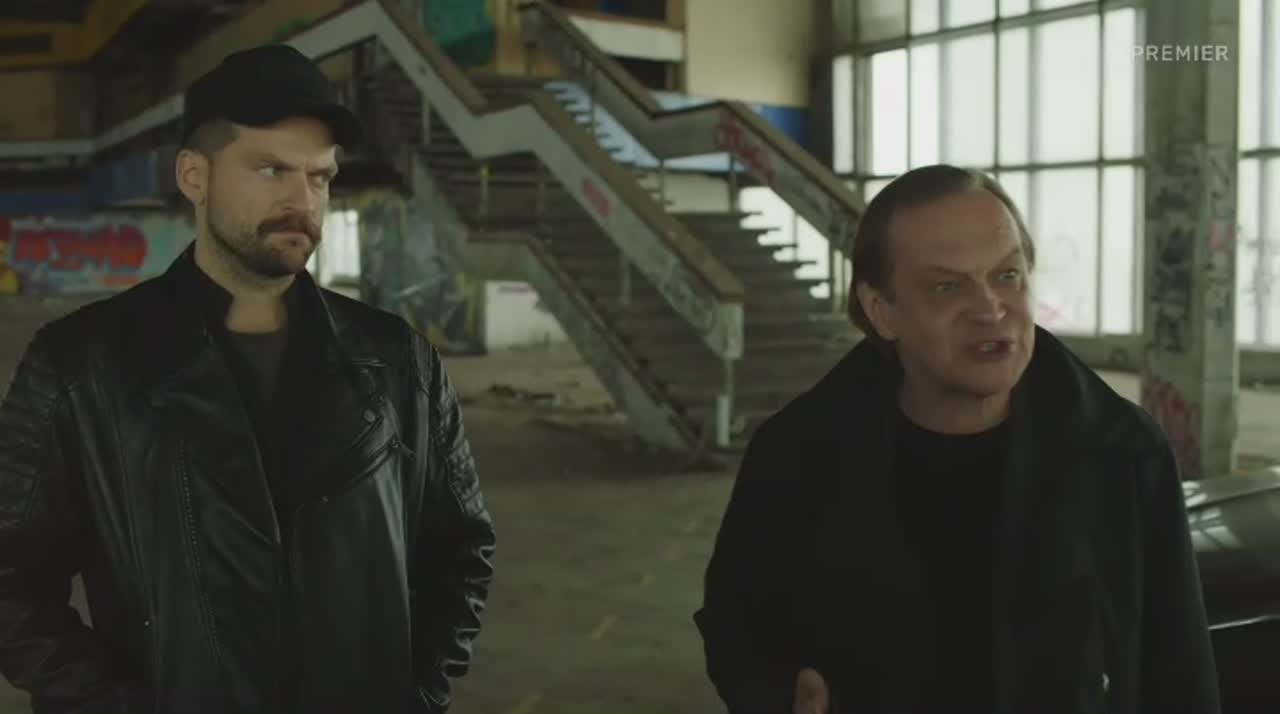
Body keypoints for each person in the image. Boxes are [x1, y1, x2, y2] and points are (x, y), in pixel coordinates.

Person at [0, 45, 495, 714]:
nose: (301, 199)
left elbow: (461, 550)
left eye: (320, 177)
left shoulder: (401, 362)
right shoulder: (81, 365)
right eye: (271, 170)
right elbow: (12, 580)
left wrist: (420, 693)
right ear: (194, 176)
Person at [693, 164, 1220, 714]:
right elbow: (737, 623)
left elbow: (1178, 666)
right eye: (947, 286)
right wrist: (781, 693)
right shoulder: (797, 456)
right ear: (882, 312)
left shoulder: (1122, 452)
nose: (990, 309)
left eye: (1007, 275)